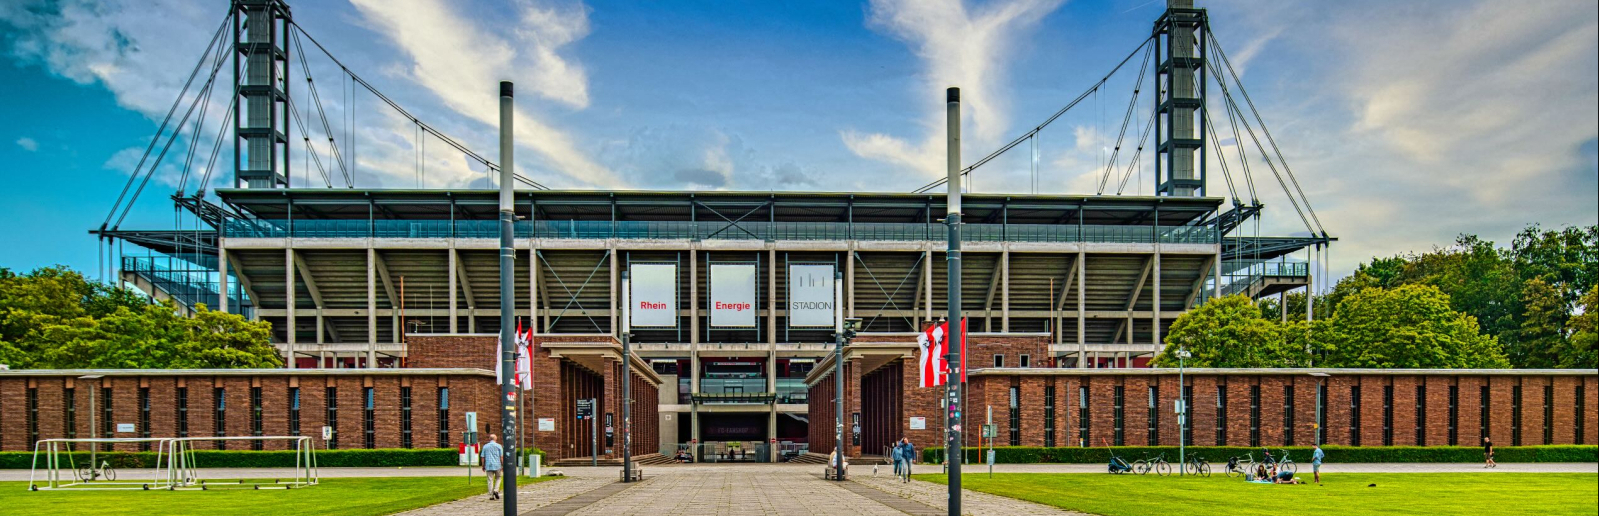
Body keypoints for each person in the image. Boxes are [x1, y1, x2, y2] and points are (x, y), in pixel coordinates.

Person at [480, 434, 505, 500]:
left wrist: (483, 465)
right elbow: (501, 457)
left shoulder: (485, 446)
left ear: (489, 439)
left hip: (488, 465)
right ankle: (496, 490)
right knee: (498, 478)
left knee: (490, 480)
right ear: (495, 439)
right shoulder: (499, 446)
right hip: (497, 465)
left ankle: (491, 495)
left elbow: (483, 457)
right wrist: (503, 465)